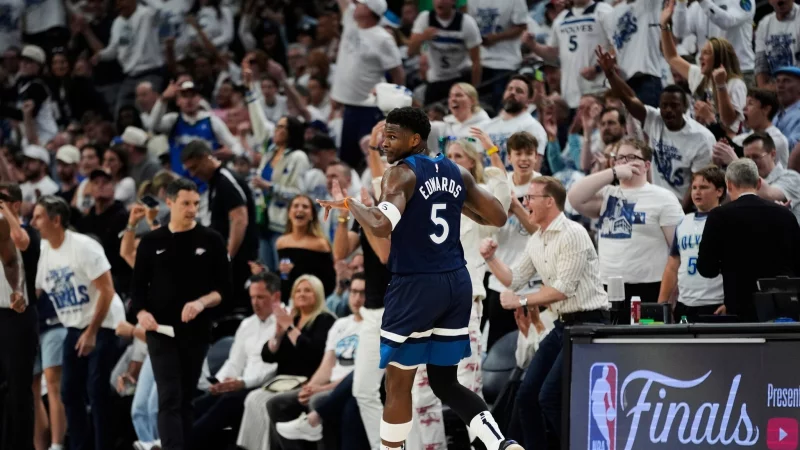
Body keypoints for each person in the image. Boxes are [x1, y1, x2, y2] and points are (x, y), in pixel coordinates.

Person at [317, 107, 520, 450]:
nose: (384, 143)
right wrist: (455, 203)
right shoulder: (457, 172)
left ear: (415, 140)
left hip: (416, 286)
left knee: (397, 385)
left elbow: (381, 225)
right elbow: (498, 216)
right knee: (446, 382)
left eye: (392, 136)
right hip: (456, 284)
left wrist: (351, 204)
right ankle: (502, 444)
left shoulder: (400, 174)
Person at [479, 176, 610, 449]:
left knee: (549, 396)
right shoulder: (537, 239)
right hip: (564, 325)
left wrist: (521, 300)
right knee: (526, 395)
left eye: (530, 198)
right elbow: (514, 278)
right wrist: (491, 259)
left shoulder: (573, 233)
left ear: (549, 201)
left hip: (589, 323)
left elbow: (563, 289)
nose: (525, 202)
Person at [130, 179, 231, 450]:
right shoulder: (151, 241)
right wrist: (142, 314)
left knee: (185, 399)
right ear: (170, 202)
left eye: (196, 203)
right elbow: (137, 290)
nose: (192, 209)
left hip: (196, 331)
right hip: (160, 331)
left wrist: (201, 303)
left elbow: (224, 290)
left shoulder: (212, 240)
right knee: (169, 397)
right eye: (186, 203)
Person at [32, 195, 126, 450]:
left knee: (96, 390)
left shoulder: (83, 246)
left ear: (56, 220)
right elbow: (35, 291)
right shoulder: (44, 252)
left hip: (104, 323)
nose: (33, 222)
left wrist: (92, 332)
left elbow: (107, 290)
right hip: (74, 326)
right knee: (69, 392)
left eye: (38, 217)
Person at [568, 138, 684, 305]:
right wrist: (613, 173)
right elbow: (574, 197)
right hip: (607, 286)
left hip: (650, 286)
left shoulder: (663, 198)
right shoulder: (607, 194)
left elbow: (678, 251)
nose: (624, 162)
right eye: (620, 158)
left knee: (646, 323)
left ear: (646, 165)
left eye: (631, 157)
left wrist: (669, 297)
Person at [596, 46, 715, 203]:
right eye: (664, 105)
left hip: (685, 204)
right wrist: (610, 74)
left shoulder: (701, 138)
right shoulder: (655, 119)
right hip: (656, 199)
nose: (668, 110)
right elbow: (629, 98)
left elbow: (697, 183)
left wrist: (678, 212)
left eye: (674, 105)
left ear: (685, 107)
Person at [236, 275, 336, 450]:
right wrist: (278, 334)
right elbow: (268, 355)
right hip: (282, 381)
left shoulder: (325, 320)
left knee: (266, 402)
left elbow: (314, 353)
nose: (301, 294)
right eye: (298, 290)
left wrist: (290, 328)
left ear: (318, 294)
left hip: (308, 381)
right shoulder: (293, 319)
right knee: (253, 398)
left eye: (307, 290)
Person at [269, 271, 365, 449]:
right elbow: (326, 365)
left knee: (317, 400)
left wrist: (321, 389)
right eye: (353, 292)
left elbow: (358, 374)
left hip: (346, 387)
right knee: (276, 403)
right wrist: (309, 388)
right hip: (323, 383)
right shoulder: (341, 324)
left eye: (363, 293)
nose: (357, 298)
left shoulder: (371, 326)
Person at [697, 159, 800, 321]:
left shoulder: (719, 216)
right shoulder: (785, 214)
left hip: (740, 307)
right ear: (758, 183)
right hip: (782, 308)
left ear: (729, 185)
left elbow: (706, 268)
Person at [187, 272, 282, 448]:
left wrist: (242, 382)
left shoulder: (283, 322)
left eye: (260, 297)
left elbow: (275, 368)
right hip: (238, 384)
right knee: (194, 404)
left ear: (276, 296)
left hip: (263, 386)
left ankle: (178, 445)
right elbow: (234, 362)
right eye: (252, 297)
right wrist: (220, 382)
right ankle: (171, 440)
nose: (255, 303)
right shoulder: (247, 324)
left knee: (226, 403)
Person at [181, 140, 259, 311]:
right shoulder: (214, 182)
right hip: (227, 259)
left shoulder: (225, 181)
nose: (193, 174)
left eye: (194, 167)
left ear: (205, 157)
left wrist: (227, 257)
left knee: (235, 307)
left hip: (240, 260)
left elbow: (240, 220)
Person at [661, 1, 746, 136]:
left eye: (706, 53)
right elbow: (671, 57)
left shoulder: (735, 84)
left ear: (719, 57)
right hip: (697, 140)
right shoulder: (699, 75)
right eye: (701, 52)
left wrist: (720, 86)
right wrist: (664, 25)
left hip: (722, 143)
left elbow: (729, 122)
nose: (700, 57)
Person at [658, 166, 726, 321]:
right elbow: (672, 265)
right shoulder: (683, 221)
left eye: (704, 187)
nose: (697, 192)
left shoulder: (726, 220)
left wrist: (731, 302)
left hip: (715, 302)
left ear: (719, 191)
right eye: (694, 187)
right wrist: (662, 302)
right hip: (685, 303)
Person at [523, 0, 612, 110]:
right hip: (570, 95)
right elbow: (552, 54)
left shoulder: (603, 11)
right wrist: (533, 45)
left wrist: (597, 68)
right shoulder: (561, 18)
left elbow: (617, 47)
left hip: (598, 91)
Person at [0, 182, 36, 450]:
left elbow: (20, 241)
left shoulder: (30, 233)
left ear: (15, 204)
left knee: (19, 390)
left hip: (20, 317)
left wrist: (6, 213)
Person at [408, 0, 482, 105]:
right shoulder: (425, 18)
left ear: (453, 2)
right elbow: (410, 51)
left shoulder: (466, 23)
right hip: (435, 80)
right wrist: (422, 37)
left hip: (460, 78)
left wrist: (474, 92)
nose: (440, 2)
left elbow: (476, 61)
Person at [277, 195, 336, 301]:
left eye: (305, 207)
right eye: (296, 206)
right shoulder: (281, 242)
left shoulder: (320, 244)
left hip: (313, 299)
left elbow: (329, 280)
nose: (300, 209)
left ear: (312, 215)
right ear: (289, 213)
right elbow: (282, 276)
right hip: (287, 298)